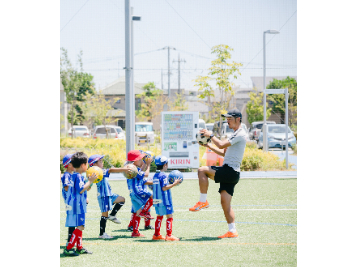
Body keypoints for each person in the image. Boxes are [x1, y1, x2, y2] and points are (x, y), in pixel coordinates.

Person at [189, 109, 248, 238]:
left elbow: (221, 145)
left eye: (230, 119)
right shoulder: (235, 133)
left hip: (230, 171)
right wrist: (209, 146)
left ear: (238, 119)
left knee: (201, 170)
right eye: (226, 119)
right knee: (225, 204)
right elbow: (224, 153)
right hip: (232, 173)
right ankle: (232, 231)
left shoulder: (240, 133)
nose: (227, 121)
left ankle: (203, 201)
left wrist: (211, 135)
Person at [63, 152, 97, 256]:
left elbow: (82, 188)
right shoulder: (78, 176)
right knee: (80, 226)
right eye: (87, 164)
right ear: (83, 165)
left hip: (77, 205)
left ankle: (79, 247)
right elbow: (81, 189)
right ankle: (68, 248)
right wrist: (90, 181)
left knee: (79, 225)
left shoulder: (76, 175)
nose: (88, 166)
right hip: (77, 206)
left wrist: (89, 183)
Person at [88, 155, 127, 239]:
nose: (102, 163)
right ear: (94, 164)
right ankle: (102, 234)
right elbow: (111, 170)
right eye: (100, 161)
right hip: (103, 196)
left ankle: (112, 215)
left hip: (109, 194)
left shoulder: (97, 171)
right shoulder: (97, 172)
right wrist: (124, 169)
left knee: (122, 200)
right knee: (104, 214)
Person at [152, 156, 181, 241]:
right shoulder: (163, 175)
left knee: (160, 216)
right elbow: (164, 188)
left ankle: (156, 235)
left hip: (156, 199)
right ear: (165, 165)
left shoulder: (155, 175)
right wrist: (174, 183)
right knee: (169, 216)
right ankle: (169, 235)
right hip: (165, 200)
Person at [125, 150, 154, 238]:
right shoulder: (134, 168)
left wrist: (144, 163)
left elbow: (140, 173)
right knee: (154, 196)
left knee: (138, 212)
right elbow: (145, 174)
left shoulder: (130, 167)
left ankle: (135, 232)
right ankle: (145, 212)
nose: (142, 160)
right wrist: (148, 164)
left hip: (132, 193)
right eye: (141, 159)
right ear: (136, 160)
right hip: (138, 191)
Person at [61, 154, 75, 245]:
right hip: (70, 202)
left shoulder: (72, 175)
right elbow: (66, 187)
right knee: (71, 221)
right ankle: (69, 241)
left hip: (72, 201)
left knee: (74, 221)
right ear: (69, 164)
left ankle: (72, 240)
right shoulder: (66, 175)